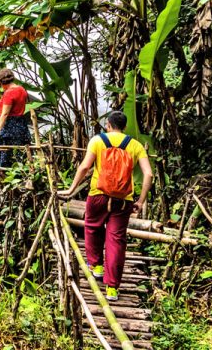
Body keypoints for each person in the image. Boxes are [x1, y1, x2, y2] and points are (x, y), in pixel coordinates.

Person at [57, 110, 153, 302]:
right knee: (116, 240)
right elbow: (148, 174)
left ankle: (97, 267)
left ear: (108, 125)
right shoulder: (135, 146)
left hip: (98, 195)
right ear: (125, 127)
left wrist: (70, 189)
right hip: (123, 200)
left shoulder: (98, 140)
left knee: (92, 228)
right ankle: (112, 288)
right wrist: (140, 201)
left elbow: (84, 167)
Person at [0, 68, 31, 167]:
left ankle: (5, 179)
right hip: (21, 125)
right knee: (19, 154)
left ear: (0, 82)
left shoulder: (9, 93)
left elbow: (5, 114)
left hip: (9, 127)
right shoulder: (21, 89)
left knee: (6, 155)